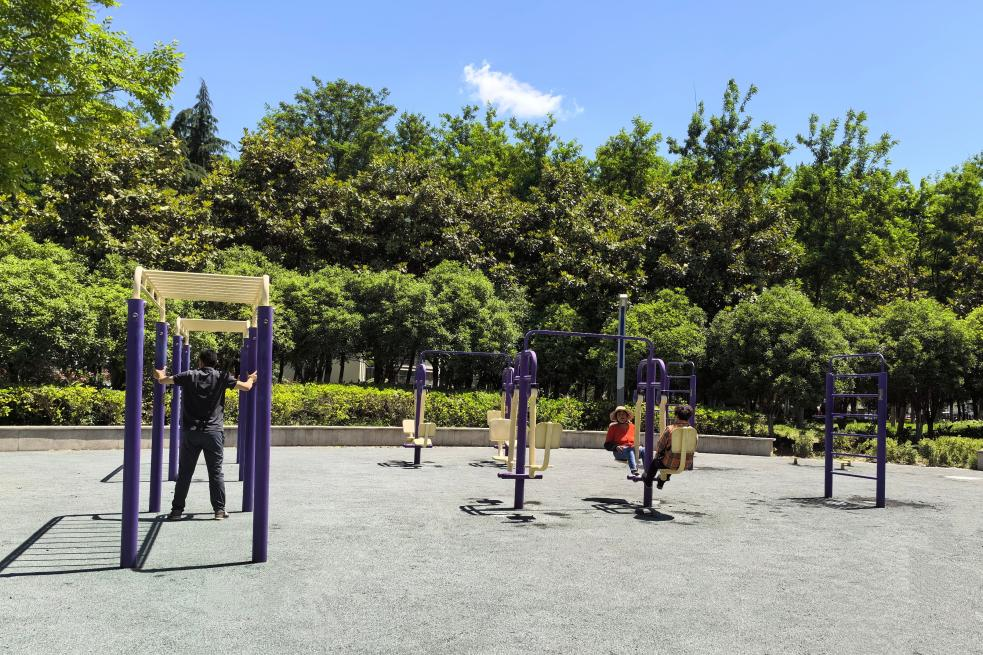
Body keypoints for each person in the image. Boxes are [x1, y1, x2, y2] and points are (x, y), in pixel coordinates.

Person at [154, 348, 257, 520]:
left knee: (185, 473)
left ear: (200, 361)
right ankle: (219, 510)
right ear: (215, 362)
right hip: (213, 432)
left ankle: (177, 510)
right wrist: (252, 378)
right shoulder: (222, 376)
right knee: (215, 472)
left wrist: (160, 373)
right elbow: (246, 387)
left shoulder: (189, 375)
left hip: (191, 432)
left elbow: (163, 380)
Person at [643, 404, 695, 489]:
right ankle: (661, 482)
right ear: (689, 416)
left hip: (669, 463)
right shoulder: (693, 431)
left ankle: (648, 481)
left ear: (676, 415)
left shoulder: (671, 429)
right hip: (686, 464)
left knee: (657, 462)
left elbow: (660, 445)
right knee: (672, 458)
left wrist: (658, 455)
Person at [604, 405, 642, 476]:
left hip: (633, 449)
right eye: (619, 414)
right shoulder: (612, 427)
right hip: (619, 452)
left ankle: (648, 471)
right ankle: (634, 471)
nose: (621, 416)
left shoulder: (633, 427)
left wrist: (639, 445)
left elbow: (637, 440)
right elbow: (607, 444)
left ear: (627, 416)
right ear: (616, 417)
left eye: (623, 414)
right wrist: (615, 447)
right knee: (629, 449)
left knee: (644, 450)